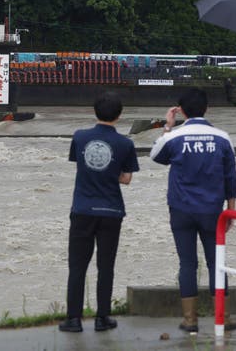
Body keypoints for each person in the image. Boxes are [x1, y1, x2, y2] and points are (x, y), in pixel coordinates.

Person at [150, 88, 236, 333]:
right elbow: (231, 176)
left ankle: (190, 321)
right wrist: (231, 209)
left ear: (182, 111)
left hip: (181, 209)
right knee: (216, 263)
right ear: (207, 109)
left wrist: (168, 126)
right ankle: (224, 317)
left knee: (187, 264)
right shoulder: (222, 138)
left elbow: (156, 156)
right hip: (212, 210)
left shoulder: (175, 137)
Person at [59, 92, 140, 333]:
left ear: (94, 112)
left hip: (82, 209)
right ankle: (102, 318)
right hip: (111, 210)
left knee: (77, 266)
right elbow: (126, 179)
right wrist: (111, 171)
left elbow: (81, 164)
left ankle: (73, 319)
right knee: (106, 266)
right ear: (120, 115)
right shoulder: (125, 144)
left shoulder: (80, 137)